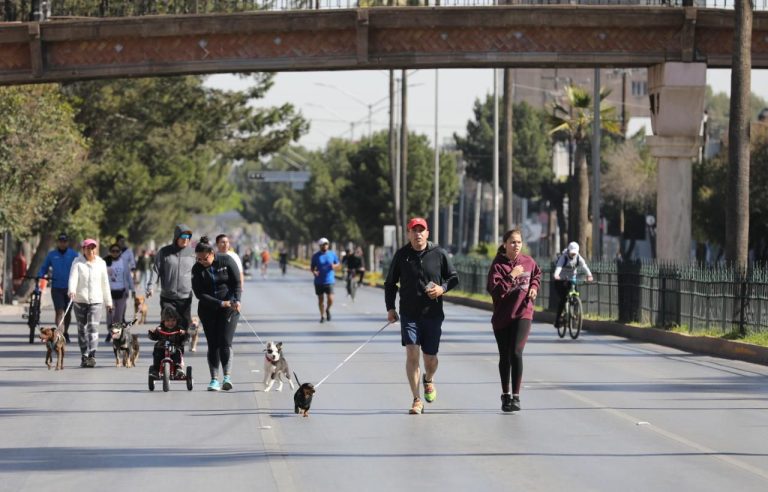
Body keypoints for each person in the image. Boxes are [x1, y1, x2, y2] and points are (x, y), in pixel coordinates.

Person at [384, 217, 459, 415]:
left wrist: (441, 289)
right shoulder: (402, 255)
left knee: (430, 358)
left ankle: (429, 379)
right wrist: (390, 308)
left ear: (427, 233)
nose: (418, 234)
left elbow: (453, 278)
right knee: (412, 352)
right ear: (408, 234)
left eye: (421, 230)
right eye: (413, 230)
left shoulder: (439, 253)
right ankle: (416, 399)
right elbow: (390, 283)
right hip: (409, 314)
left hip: (432, 314)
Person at [486, 229, 542, 413]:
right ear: (504, 244)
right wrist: (512, 275)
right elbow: (495, 292)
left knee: (516, 352)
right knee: (505, 356)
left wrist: (533, 287)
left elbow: (536, 275)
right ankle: (506, 394)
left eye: (518, 242)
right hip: (502, 317)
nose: (516, 245)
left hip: (523, 312)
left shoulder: (528, 261)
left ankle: (516, 396)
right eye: (512, 242)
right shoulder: (498, 266)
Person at [191, 236, 242, 392]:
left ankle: (227, 377)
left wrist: (236, 300)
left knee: (225, 342)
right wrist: (219, 303)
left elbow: (236, 284)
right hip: (208, 310)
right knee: (213, 344)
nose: (202, 262)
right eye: (198, 259)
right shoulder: (197, 269)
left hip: (229, 309)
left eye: (204, 258)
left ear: (212, 253)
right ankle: (214, 379)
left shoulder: (226, 261)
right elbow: (199, 294)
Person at [68, 238, 113, 368]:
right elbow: (73, 278)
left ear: (96, 249)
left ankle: (92, 355)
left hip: (96, 301)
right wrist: (71, 290)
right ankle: (84, 355)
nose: (91, 250)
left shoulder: (101, 263)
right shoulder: (77, 262)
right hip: (80, 300)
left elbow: (105, 283)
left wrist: (108, 302)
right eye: (88, 248)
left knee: (93, 328)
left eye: (93, 248)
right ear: (83, 249)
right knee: (81, 329)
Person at [146, 225, 196, 330]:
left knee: (183, 328)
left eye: (188, 238)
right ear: (176, 237)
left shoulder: (193, 254)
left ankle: (180, 346)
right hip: (167, 297)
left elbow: (199, 273)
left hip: (185, 298)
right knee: (168, 325)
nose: (186, 240)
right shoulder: (164, 252)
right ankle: (167, 345)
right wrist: (151, 286)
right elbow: (156, 270)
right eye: (183, 237)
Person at [38, 233, 79, 342]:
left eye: (64, 241)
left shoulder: (73, 254)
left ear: (67, 242)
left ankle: (66, 332)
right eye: (60, 241)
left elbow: (80, 267)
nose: (62, 243)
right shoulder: (52, 255)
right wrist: (40, 275)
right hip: (56, 287)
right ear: (58, 242)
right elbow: (44, 267)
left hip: (70, 288)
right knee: (59, 311)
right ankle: (60, 334)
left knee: (68, 312)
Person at [553, 241, 593, 329]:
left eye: (575, 253)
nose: (573, 255)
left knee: (575, 293)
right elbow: (559, 266)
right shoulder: (564, 257)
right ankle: (558, 319)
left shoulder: (578, 258)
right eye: (572, 253)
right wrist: (556, 275)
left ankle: (575, 312)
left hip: (572, 278)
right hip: (561, 279)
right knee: (563, 299)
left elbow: (584, 266)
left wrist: (589, 275)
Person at [104, 243, 134, 341]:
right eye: (113, 251)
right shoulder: (105, 262)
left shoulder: (124, 262)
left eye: (117, 251)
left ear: (120, 252)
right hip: (109, 293)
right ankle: (110, 331)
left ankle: (116, 334)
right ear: (110, 252)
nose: (115, 253)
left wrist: (132, 289)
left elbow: (128, 276)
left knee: (118, 316)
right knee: (110, 315)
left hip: (121, 292)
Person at [148, 305, 187, 379]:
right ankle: (156, 370)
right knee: (157, 351)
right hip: (162, 348)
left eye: (173, 321)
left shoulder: (179, 329)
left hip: (174, 348)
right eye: (168, 321)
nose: (170, 323)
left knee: (177, 352)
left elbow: (185, 338)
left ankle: (178, 368)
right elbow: (154, 337)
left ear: (177, 320)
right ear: (163, 321)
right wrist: (153, 332)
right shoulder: (160, 328)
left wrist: (183, 334)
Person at [310, 238, 340, 323]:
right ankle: (322, 316)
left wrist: (335, 266)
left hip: (329, 280)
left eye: (326, 244)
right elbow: (312, 268)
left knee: (330, 299)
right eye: (323, 244)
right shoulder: (316, 256)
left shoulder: (332, 254)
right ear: (320, 246)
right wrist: (314, 272)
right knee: (321, 300)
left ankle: (327, 309)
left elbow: (338, 263)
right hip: (319, 281)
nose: (325, 246)